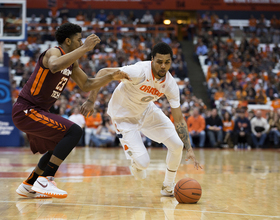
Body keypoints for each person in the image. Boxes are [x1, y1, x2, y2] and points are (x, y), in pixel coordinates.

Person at [12, 23, 129, 199]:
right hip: (26, 109)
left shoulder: (72, 62)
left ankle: (29, 184)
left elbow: (86, 84)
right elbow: (54, 66)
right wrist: (85, 48)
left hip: (38, 111)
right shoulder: (54, 52)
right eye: (79, 40)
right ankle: (46, 179)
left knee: (56, 147)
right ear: (68, 41)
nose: (81, 42)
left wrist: (110, 77)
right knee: (74, 131)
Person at [80, 42, 202, 196]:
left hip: (146, 111)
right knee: (143, 165)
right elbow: (103, 71)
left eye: (167, 62)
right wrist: (91, 100)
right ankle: (135, 162)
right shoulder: (138, 72)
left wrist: (189, 148)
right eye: (159, 62)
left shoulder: (170, 84)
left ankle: (168, 186)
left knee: (177, 145)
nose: (163, 66)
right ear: (152, 60)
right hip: (123, 117)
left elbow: (179, 119)